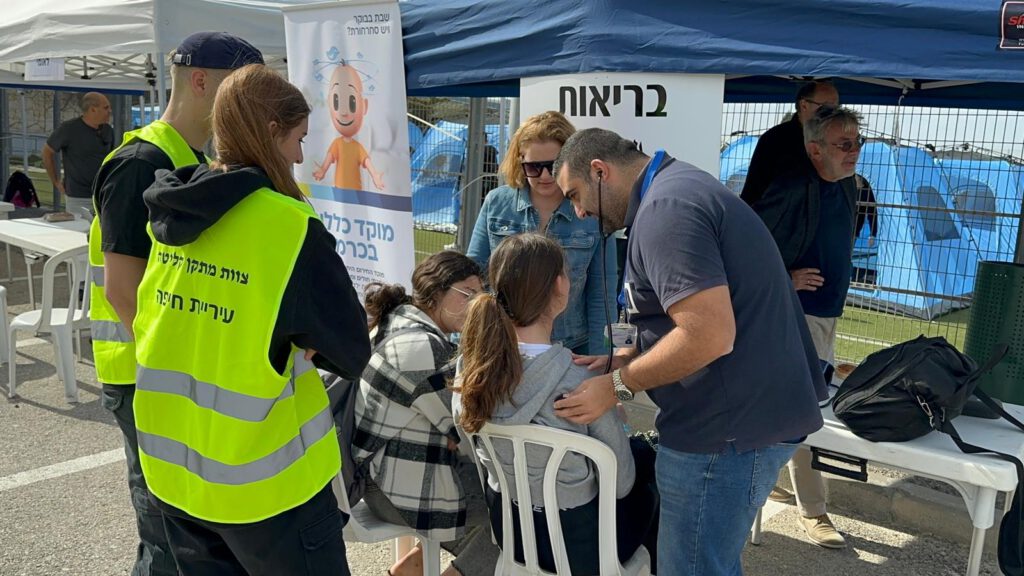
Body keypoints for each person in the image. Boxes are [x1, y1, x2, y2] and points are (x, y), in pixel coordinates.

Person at [552, 129, 827, 575]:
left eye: (576, 195)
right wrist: (629, 358)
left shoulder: (667, 209)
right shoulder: (675, 191)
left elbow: (710, 335)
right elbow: (693, 320)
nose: (579, 211)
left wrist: (618, 384)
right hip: (735, 424)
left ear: (600, 171)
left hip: (725, 434)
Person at [132, 63, 370, 575]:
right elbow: (352, 351)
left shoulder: (173, 212)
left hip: (176, 476)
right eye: (298, 139)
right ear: (271, 132)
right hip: (268, 489)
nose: (301, 156)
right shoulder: (287, 226)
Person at [87, 32, 265, 576]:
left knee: (185, 533)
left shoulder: (192, 158)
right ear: (200, 81)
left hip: (166, 376)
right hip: (141, 375)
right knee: (165, 533)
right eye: (242, 87)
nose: (251, 102)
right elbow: (124, 291)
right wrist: (170, 370)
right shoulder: (141, 162)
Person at [454, 232, 659, 575]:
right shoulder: (581, 381)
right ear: (561, 287)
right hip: (582, 547)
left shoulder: (469, 370)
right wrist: (615, 408)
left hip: (513, 537)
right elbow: (622, 482)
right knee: (651, 465)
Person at [737, 79, 847, 548]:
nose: (852, 149)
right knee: (803, 407)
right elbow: (752, 226)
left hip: (825, 306)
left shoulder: (843, 180)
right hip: (794, 307)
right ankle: (813, 509)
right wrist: (783, 276)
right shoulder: (784, 158)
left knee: (800, 405)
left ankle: (772, 481)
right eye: (842, 142)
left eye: (855, 141)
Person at [352, 251, 499, 576]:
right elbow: (468, 432)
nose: (476, 304)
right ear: (435, 293)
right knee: (516, 514)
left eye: (480, 295)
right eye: (467, 294)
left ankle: (409, 570)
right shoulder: (424, 347)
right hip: (396, 490)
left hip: (378, 478)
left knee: (500, 514)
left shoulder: (393, 323)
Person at [467, 111, 616, 355]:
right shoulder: (496, 203)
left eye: (552, 166)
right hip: (503, 346)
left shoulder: (594, 211)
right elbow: (472, 280)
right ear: (519, 161)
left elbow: (602, 295)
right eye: (533, 167)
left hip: (572, 348)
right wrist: (471, 343)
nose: (545, 176)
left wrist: (602, 358)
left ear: (570, 161)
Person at [740, 80, 839, 207]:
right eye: (826, 107)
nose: (832, 114)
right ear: (804, 105)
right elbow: (755, 188)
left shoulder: (834, 140)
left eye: (836, 108)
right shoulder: (775, 139)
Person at [43, 91, 114, 216]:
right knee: (80, 228)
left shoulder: (108, 130)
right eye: (106, 107)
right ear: (92, 109)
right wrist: (56, 181)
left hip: (103, 194)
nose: (110, 111)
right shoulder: (69, 129)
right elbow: (47, 152)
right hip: (78, 197)